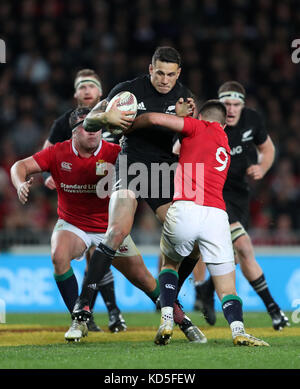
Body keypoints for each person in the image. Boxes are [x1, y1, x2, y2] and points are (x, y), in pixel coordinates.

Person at [10, 106, 206, 344]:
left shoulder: (117, 153)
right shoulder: (57, 153)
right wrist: (20, 183)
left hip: (111, 229)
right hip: (74, 225)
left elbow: (149, 169)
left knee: (146, 281)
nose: (92, 133)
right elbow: (19, 166)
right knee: (58, 255)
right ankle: (78, 320)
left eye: (96, 128)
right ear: (73, 133)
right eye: (86, 128)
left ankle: (182, 320)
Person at [70, 46, 205, 343]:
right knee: (116, 232)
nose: (165, 80)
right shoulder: (127, 92)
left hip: (163, 171)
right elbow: (89, 122)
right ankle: (82, 312)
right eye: (160, 73)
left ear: (178, 74)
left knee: (191, 241)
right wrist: (107, 119)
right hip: (130, 164)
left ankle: (171, 307)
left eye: (171, 74)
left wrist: (186, 124)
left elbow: (191, 141)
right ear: (150, 68)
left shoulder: (184, 98)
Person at [131, 99, 269, 347]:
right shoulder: (225, 144)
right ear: (224, 124)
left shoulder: (196, 127)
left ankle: (166, 320)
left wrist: (131, 124)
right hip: (216, 216)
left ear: (202, 117)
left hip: (186, 208)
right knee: (227, 287)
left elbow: (154, 119)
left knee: (170, 262)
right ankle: (238, 330)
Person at [185, 81, 290, 331]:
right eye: (226, 104)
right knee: (242, 245)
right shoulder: (210, 124)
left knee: (233, 253)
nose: (230, 109)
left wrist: (262, 168)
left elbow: (268, 148)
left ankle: (205, 293)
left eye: (235, 104)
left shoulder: (252, 120)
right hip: (212, 193)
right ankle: (274, 311)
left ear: (243, 105)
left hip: (238, 195)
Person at [41, 68, 125, 333]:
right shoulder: (66, 122)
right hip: (81, 198)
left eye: (91, 86)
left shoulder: (116, 116)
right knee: (95, 256)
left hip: (111, 197)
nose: (87, 90)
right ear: (76, 94)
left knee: (99, 256)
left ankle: (106, 313)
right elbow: (47, 152)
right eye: (82, 86)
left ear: (101, 92)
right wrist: (48, 174)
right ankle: (105, 314)